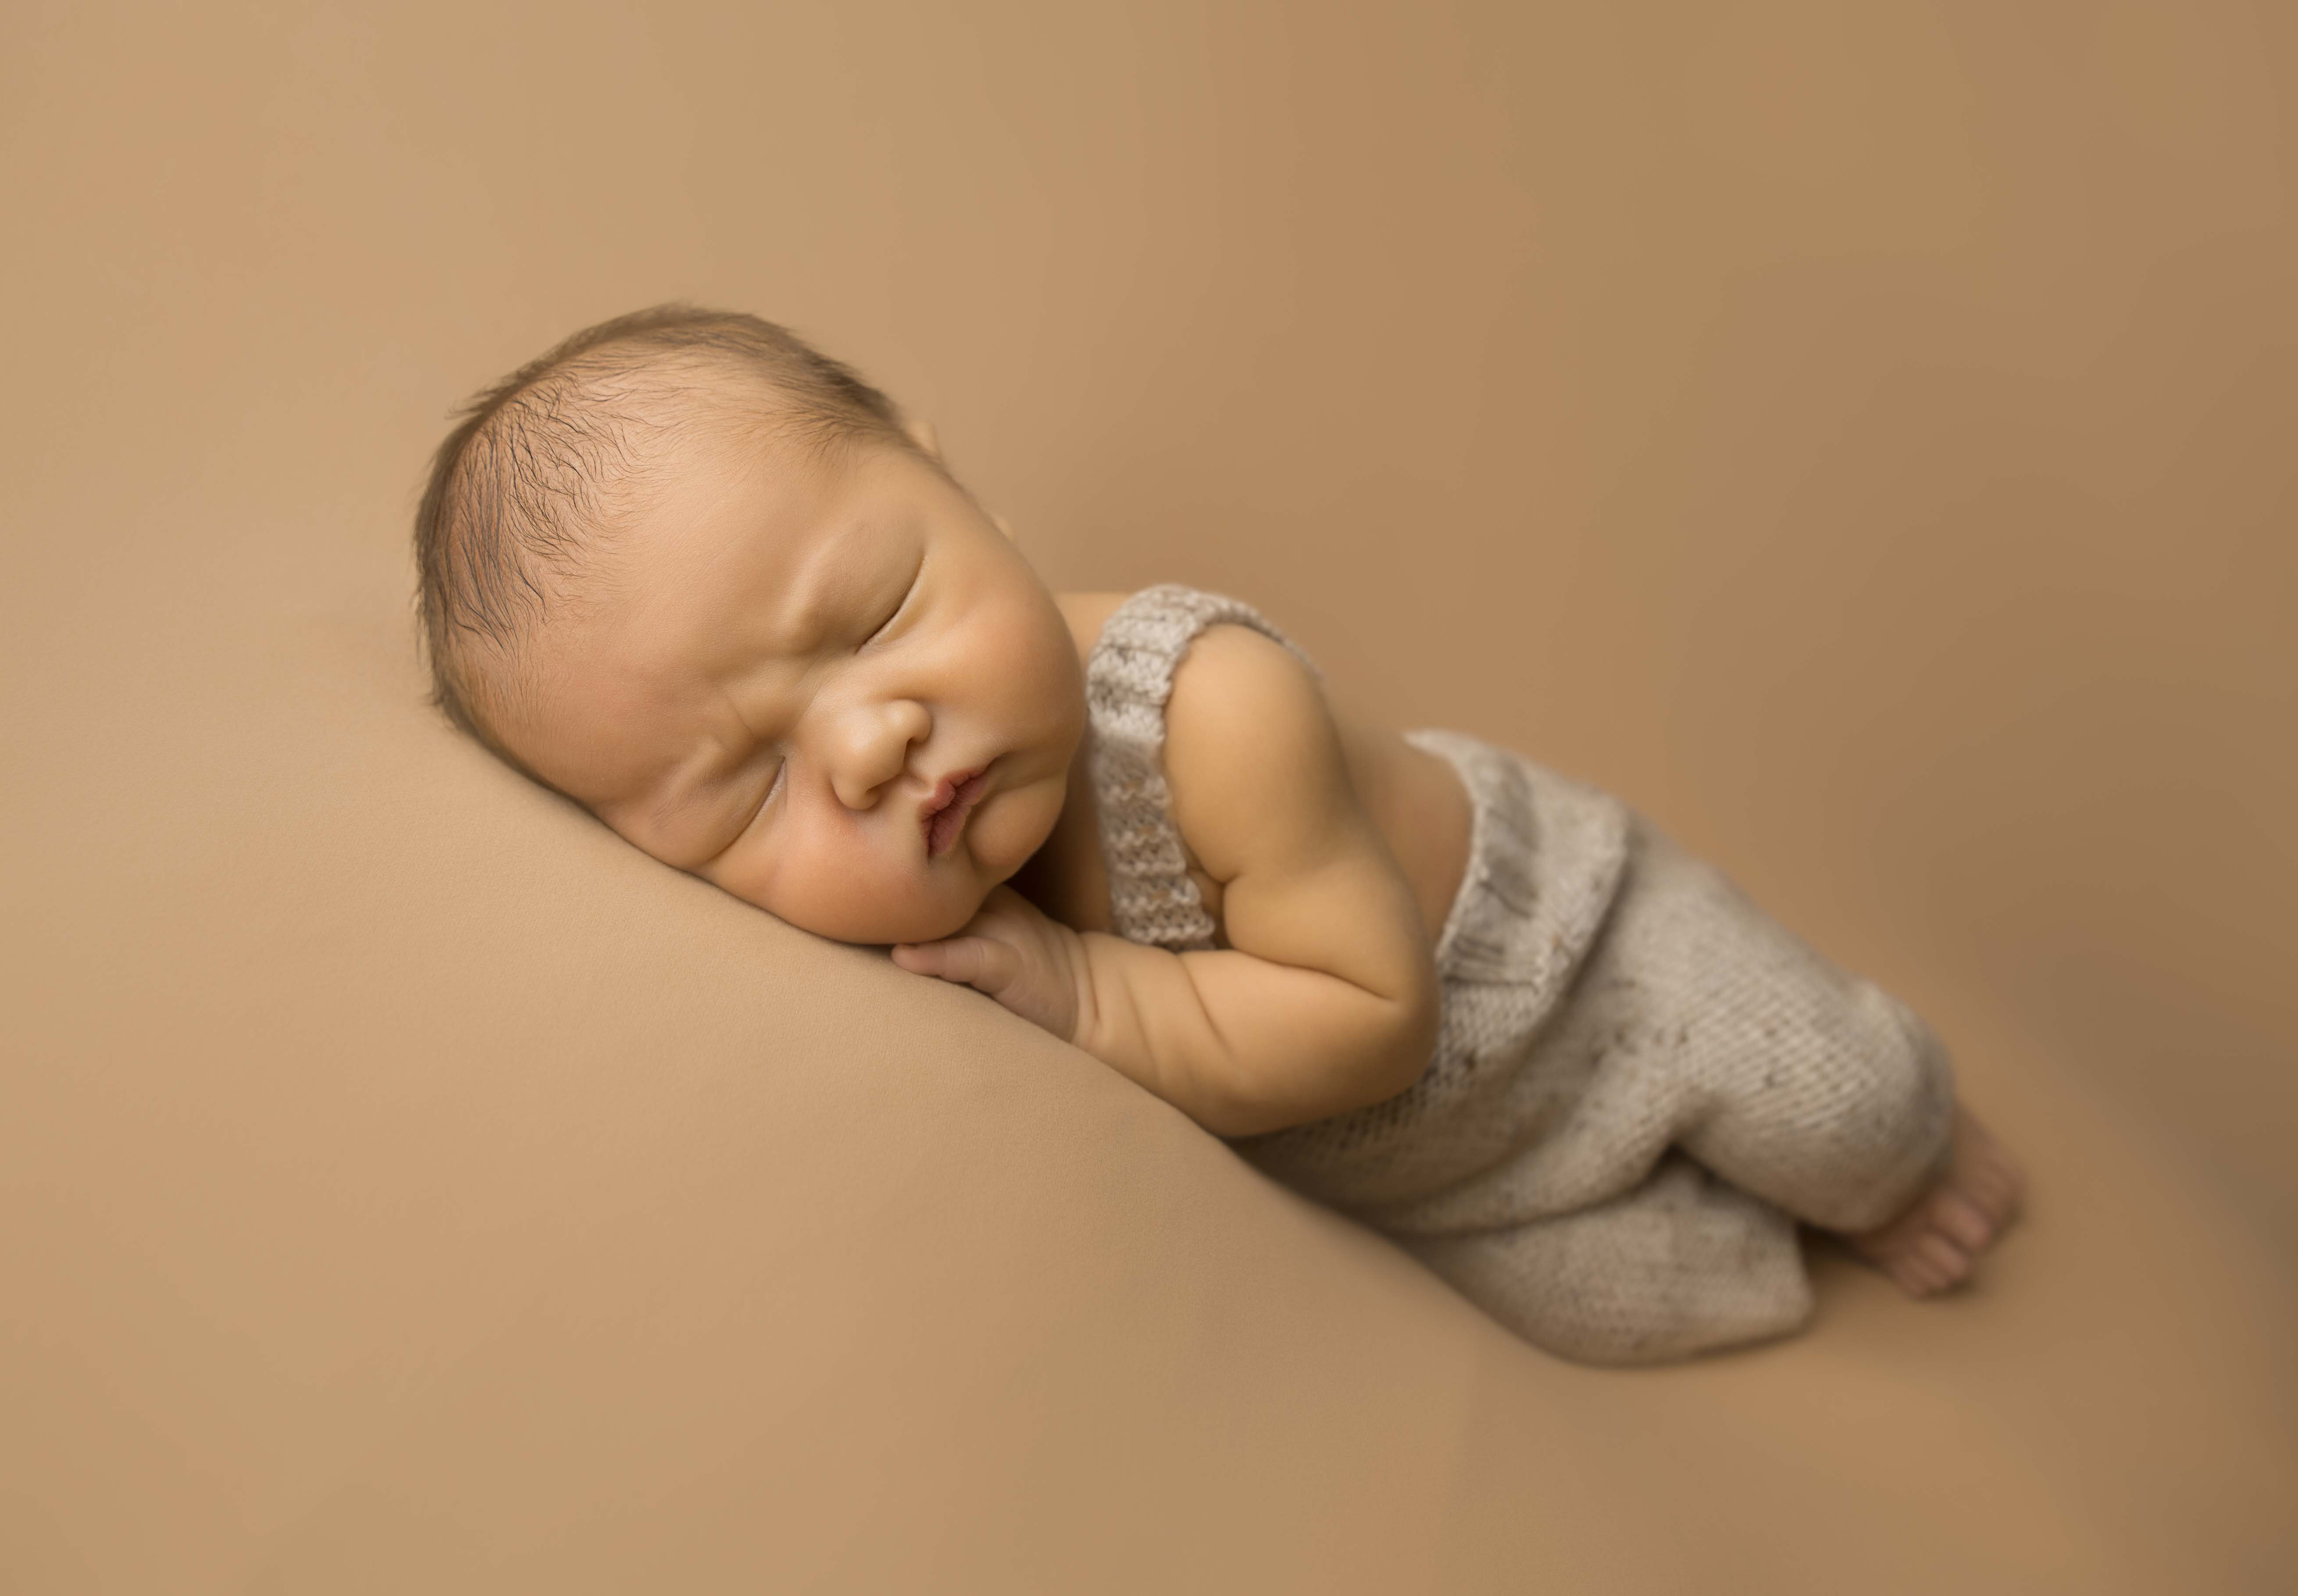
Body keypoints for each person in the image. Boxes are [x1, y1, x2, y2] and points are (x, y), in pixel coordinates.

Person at [412, 304, 2023, 1364]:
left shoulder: (1205, 708)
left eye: (879, 616)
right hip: (1434, 1168)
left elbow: (1374, 1023)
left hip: (1568, 963)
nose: (867, 745)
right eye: (748, 790)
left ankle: (1902, 1148)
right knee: (1621, 1316)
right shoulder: (898, 908)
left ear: (952, 477)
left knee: (1843, 1112)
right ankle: (1726, 1214)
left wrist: (1090, 997)